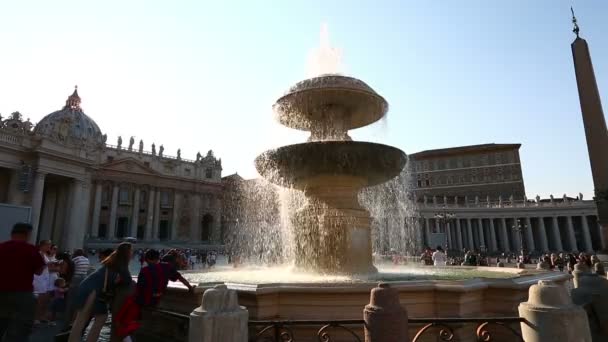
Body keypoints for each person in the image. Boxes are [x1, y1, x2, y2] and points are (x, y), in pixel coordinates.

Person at [115, 249, 194, 341]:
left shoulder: (145, 270)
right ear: (158, 258)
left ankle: (125, 335)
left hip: (143, 301)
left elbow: (140, 288)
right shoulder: (167, 267)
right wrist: (190, 287)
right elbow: (180, 278)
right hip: (156, 300)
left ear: (147, 259)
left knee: (122, 318)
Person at [68, 242, 133, 342]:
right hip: (94, 292)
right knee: (99, 318)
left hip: (86, 288)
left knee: (81, 319)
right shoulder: (121, 265)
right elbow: (127, 280)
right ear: (127, 253)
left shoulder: (112, 260)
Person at [0, 223, 45, 342]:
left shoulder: (1, 247)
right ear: (27, 234)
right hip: (22, 295)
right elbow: (39, 271)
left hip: (1, 292)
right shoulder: (31, 250)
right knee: (19, 332)